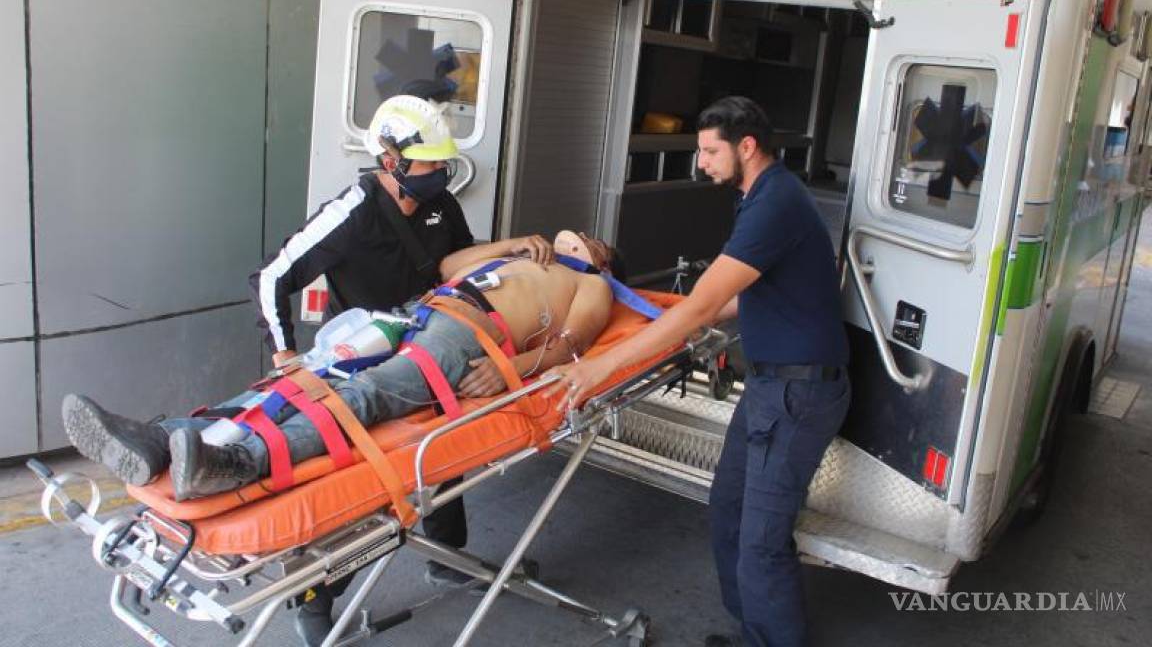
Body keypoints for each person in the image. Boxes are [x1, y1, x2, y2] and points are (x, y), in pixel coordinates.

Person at [547, 96, 851, 647]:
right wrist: (662, 311)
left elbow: (706, 307)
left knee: (761, 537)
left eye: (710, 151)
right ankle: (750, 629)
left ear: (747, 147)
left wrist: (602, 366)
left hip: (797, 393)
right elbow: (738, 295)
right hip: (771, 387)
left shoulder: (775, 203)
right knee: (730, 510)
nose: (702, 163)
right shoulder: (758, 196)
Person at [63, 234, 620, 493]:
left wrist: (513, 369)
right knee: (300, 380)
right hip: (417, 314)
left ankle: (237, 462)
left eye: (594, 242)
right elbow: (450, 264)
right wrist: (516, 244)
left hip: (464, 340)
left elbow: (574, 342)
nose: (584, 240)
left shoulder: (590, 283)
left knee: (363, 396)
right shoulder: (530, 255)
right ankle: (164, 437)